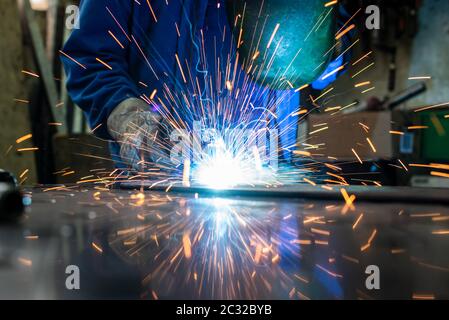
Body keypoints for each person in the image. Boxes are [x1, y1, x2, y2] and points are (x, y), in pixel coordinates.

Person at [62, 0, 352, 172]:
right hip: (156, 181)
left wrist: (323, 45)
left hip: (265, 178)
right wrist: (125, 113)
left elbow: (326, 64)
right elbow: (90, 56)